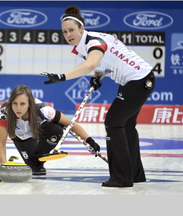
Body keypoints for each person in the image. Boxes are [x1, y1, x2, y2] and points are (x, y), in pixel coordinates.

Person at [41, 6, 155, 187]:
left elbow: (91, 62)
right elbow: (103, 62)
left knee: (113, 122)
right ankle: (134, 174)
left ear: (82, 28)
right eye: (64, 32)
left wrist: (62, 77)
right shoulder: (89, 42)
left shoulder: (93, 41)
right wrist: (98, 76)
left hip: (137, 80)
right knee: (125, 125)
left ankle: (122, 177)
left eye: (71, 30)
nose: (68, 34)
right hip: (138, 80)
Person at [0, 85, 100, 175]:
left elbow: (70, 124)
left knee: (56, 129)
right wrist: (4, 167)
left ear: (29, 104)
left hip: (37, 134)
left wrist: (90, 141)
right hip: (20, 137)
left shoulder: (43, 110)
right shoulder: (5, 112)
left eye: (22, 104)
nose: (18, 108)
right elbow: (1, 143)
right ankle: (35, 162)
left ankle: (39, 156)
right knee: (34, 168)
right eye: (15, 103)